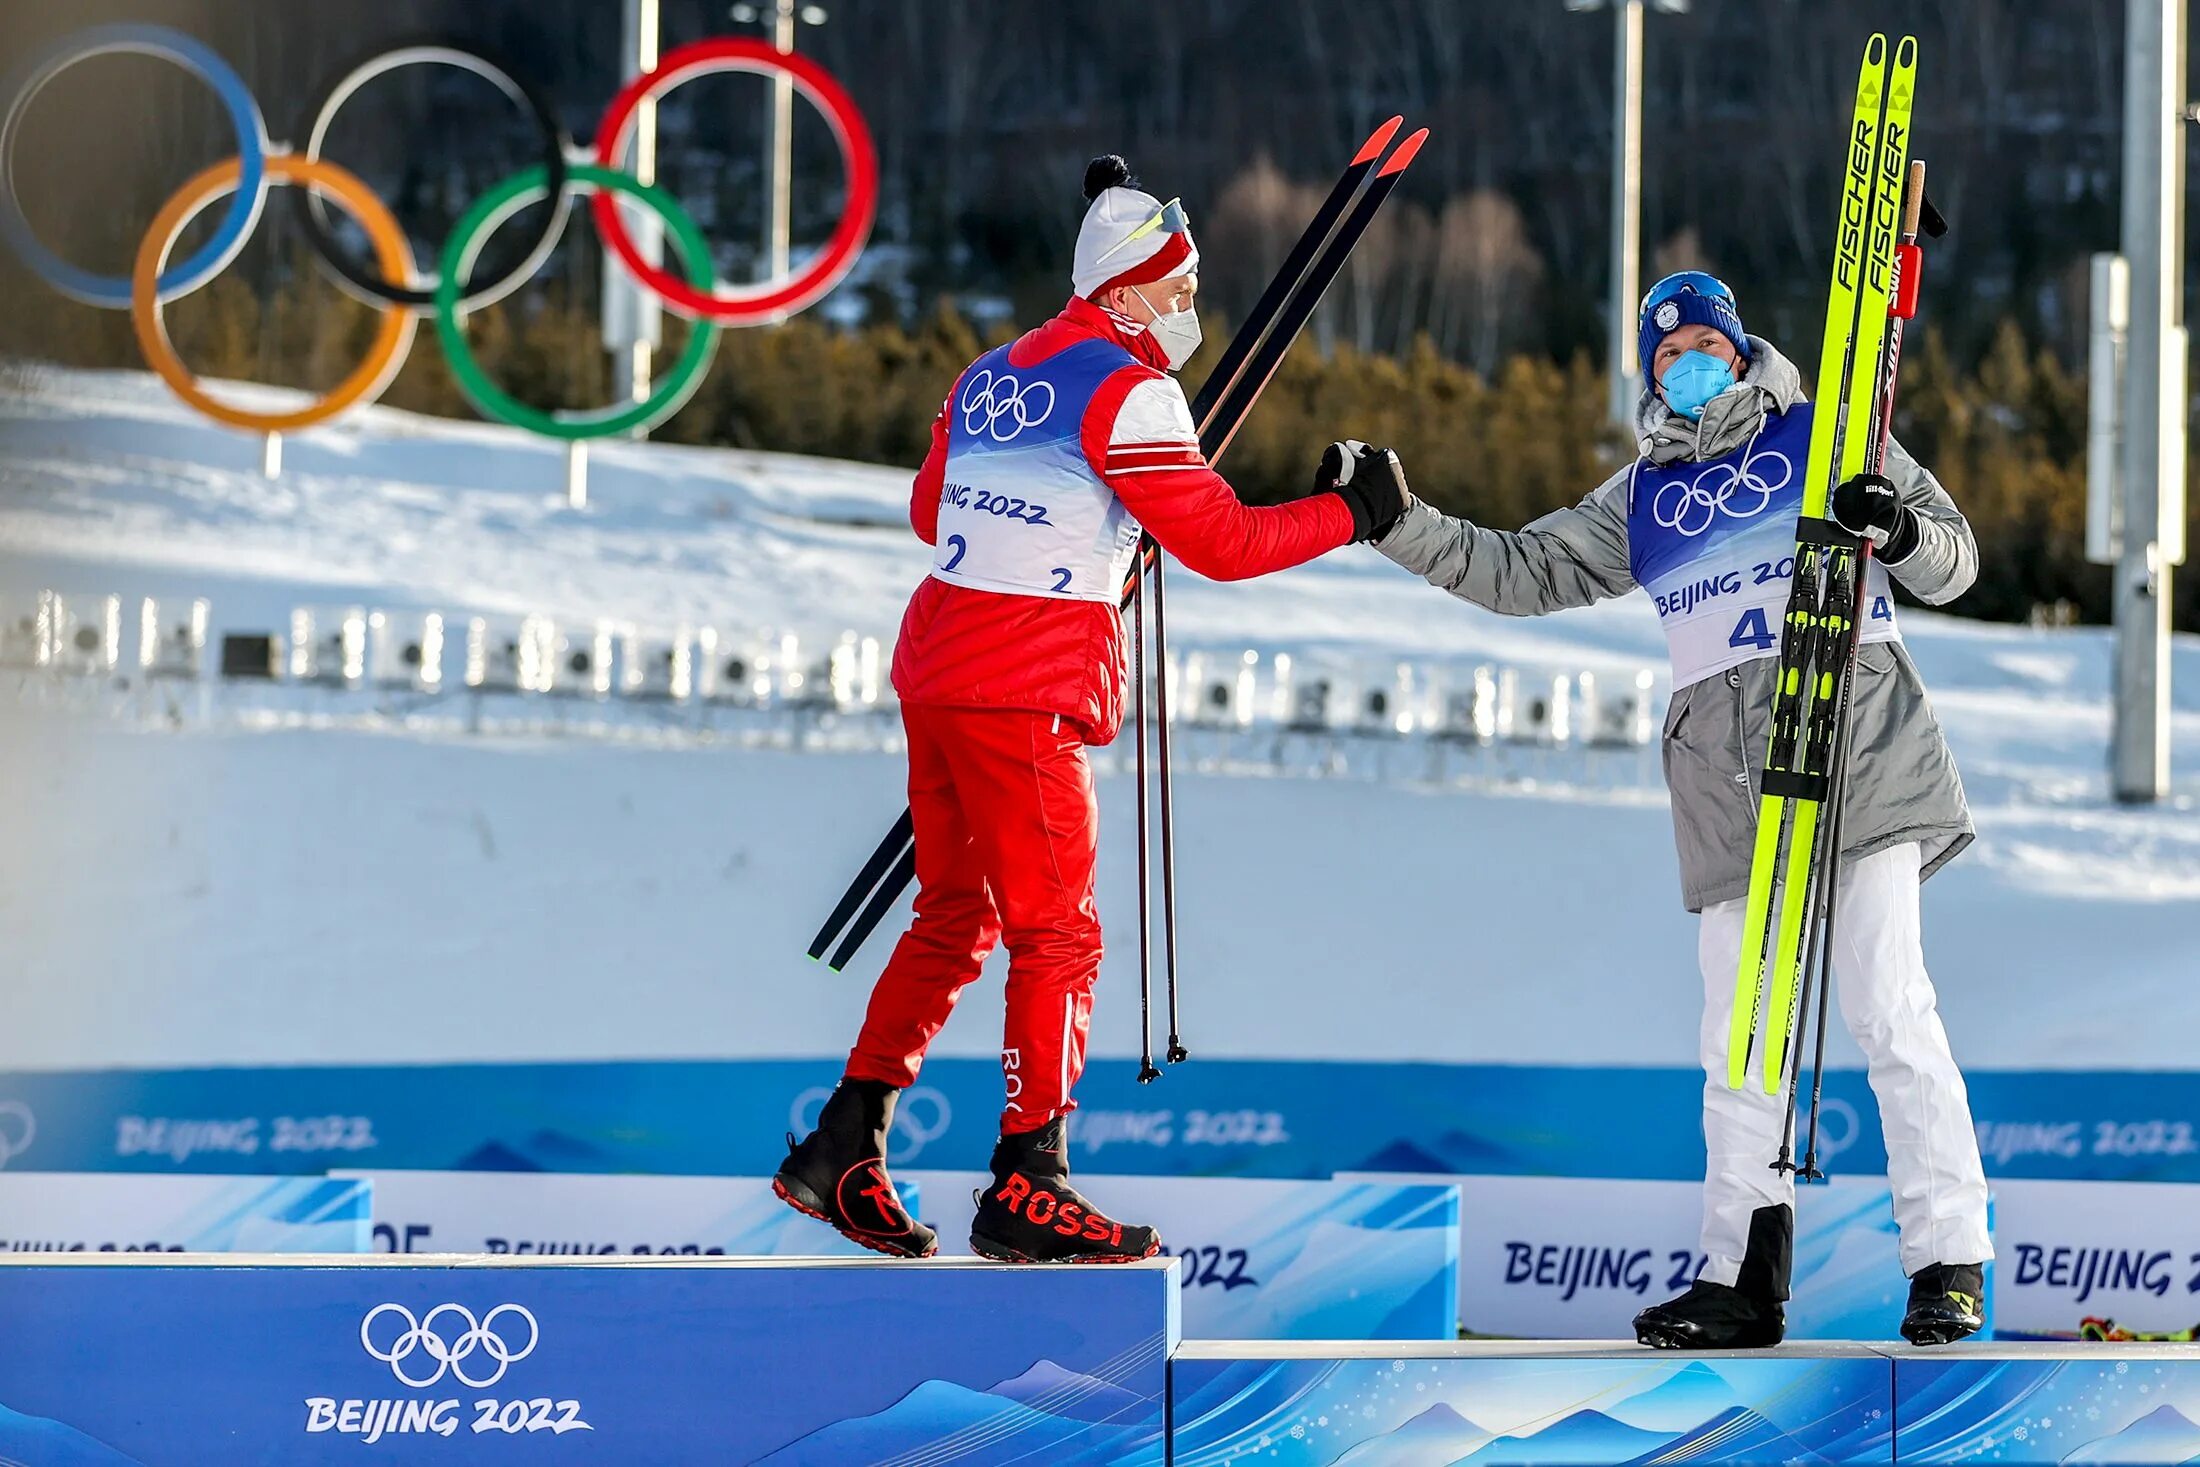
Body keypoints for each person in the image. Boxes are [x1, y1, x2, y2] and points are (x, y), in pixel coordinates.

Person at [775, 155, 1407, 1264]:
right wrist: (1352, 512)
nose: (1190, 313)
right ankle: (1030, 1178)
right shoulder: (1130, 389)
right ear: (1121, 292)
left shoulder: (987, 374)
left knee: (955, 914)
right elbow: (1221, 543)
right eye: (1177, 290)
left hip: (940, 663)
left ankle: (843, 1142)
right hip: (1024, 685)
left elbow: (934, 512)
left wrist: (1070, 519)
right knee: (1056, 934)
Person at [1359, 271, 1992, 1347]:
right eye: (1663, 351)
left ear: (1741, 347)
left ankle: (1947, 1264)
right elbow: (1523, 571)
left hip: (1855, 754)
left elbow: (1956, 562)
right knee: (1738, 1044)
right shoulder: (1640, 496)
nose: (1684, 360)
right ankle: (1741, 1278)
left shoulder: (1832, 434)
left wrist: (1891, 529)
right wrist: (1399, 525)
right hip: (1729, 790)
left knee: (1887, 1006)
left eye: (1703, 339)